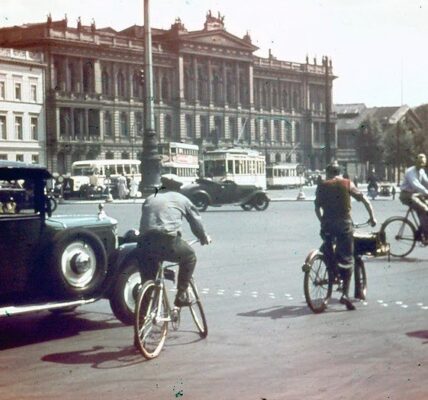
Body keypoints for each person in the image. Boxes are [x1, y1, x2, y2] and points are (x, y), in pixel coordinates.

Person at [137, 176, 211, 307]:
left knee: (148, 279)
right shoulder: (182, 199)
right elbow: (196, 223)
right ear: (178, 188)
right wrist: (203, 237)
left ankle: (142, 316)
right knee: (189, 257)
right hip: (167, 241)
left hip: (144, 243)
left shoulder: (150, 198)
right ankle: (181, 294)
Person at [315, 161, 377, 310]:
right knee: (349, 259)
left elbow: (317, 208)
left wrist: (323, 221)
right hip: (344, 225)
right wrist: (372, 217)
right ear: (339, 173)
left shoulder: (322, 185)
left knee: (328, 246)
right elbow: (365, 200)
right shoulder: (347, 183)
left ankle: (331, 268)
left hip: (327, 226)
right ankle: (344, 294)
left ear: (328, 173)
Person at [399, 153, 428, 241]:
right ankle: (425, 234)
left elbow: (426, 182)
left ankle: (421, 230)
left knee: (425, 210)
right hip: (406, 195)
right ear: (415, 161)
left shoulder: (422, 171)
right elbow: (416, 185)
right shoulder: (410, 171)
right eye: (419, 162)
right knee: (424, 209)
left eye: (422, 163)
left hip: (415, 194)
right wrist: (426, 192)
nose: (421, 164)